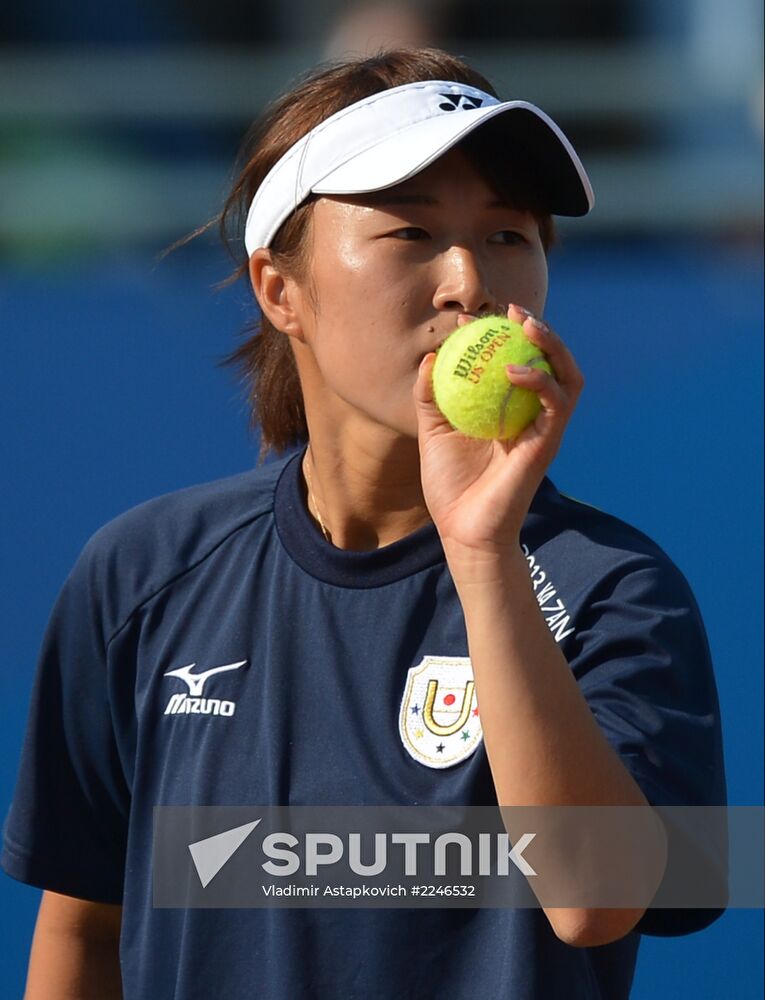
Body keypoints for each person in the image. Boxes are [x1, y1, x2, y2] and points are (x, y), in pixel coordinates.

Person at [1, 47, 726, 1000]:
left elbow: (595, 903)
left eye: (509, 235)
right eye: (411, 233)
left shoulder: (612, 585)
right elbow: (85, 935)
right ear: (278, 290)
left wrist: (481, 552)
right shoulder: (139, 573)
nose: (469, 281)